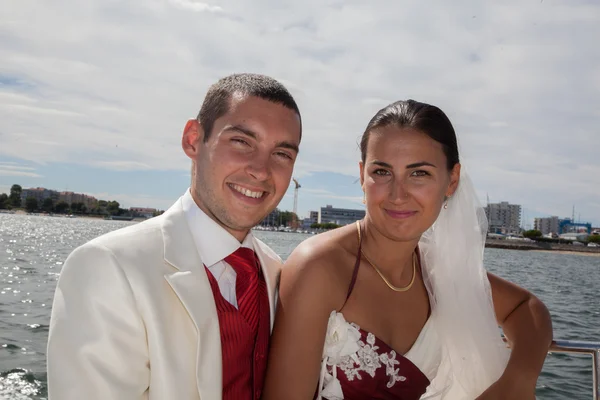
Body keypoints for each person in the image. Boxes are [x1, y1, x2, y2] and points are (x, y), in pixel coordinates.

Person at [262, 100, 553, 400]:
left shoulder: (437, 271)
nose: (398, 194)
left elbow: (528, 308)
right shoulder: (320, 268)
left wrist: (516, 381)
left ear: (451, 181)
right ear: (362, 175)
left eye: (419, 174)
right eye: (382, 172)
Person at [46, 73, 302, 400]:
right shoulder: (107, 268)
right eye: (241, 141)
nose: (261, 170)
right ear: (193, 140)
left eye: (282, 154)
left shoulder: (278, 271)